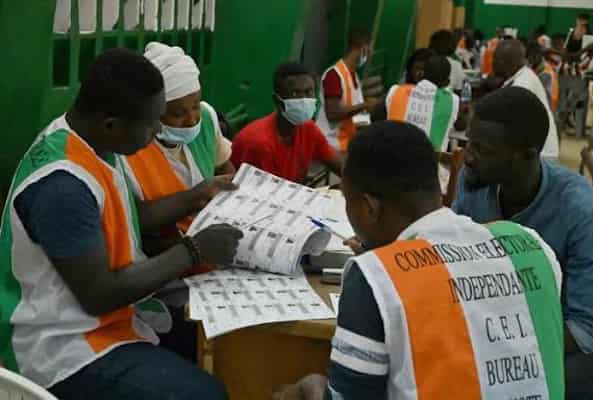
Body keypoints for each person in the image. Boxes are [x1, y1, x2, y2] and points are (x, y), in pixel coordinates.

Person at [0, 49, 242, 399]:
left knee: (221, 341)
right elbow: (100, 294)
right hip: (60, 348)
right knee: (203, 394)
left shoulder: (92, 142)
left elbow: (130, 216)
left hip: (106, 321)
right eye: (151, 123)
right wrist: (193, 250)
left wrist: (195, 195)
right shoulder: (61, 186)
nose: (158, 130)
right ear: (112, 124)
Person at [280, 120, 564, 400]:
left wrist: (313, 386)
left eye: (348, 200)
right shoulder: (533, 245)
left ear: (368, 207)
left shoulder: (373, 278)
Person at [453, 86, 593, 400]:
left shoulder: (581, 211)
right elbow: (448, 256)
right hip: (484, 326)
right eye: (469, 144)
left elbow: (586, 327)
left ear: (527, 155)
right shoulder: (475, 182)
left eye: (483, 150)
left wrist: (501, 351)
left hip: (554, 341)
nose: (468, 157)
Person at [124, 42, 235, 251]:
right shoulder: (132, 148)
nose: (192, 119)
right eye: (178, 114)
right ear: (154, 111)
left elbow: (225, 167)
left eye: (195, 106)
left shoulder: (207, 119)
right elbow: (135, 218)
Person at [231, 62, 343, 183]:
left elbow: (339, 165)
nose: (304, 100)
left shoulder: (308, 129)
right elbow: (265, 194)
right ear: (277, 101)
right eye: (295, 93)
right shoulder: (261, 143)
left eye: (309, 92)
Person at [493, 39, 559, 160]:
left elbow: (509, 125)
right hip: (534, 149)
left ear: (506, 62)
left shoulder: (523, 84)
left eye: (496, 59)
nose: (493, 63)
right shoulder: (522, 75)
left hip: (540, 155)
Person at [316, 28, 378, 153]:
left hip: (343, 146)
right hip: (328, 146)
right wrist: (365, 105)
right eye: (370, 48)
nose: (372, 52)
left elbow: (356, 116)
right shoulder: (334, 75)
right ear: (363, 48)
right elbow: (332, 114)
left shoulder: (353, 76)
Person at [386, 55, 459, 152]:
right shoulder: (452, 100)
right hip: (428, 164)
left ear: (420, 74)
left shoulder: (395, 90)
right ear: (447, 82)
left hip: (390, 156)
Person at [527, 41, 560, 113]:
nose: (530, 60)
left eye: (533, 56)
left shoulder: (547, 73)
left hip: (547, 111)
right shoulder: (537, 67)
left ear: (539, 55)